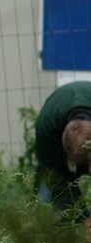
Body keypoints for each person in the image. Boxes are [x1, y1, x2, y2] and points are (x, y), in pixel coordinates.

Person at [34, 81, 91, 217]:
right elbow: (59, 183)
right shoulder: (47, 130)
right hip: (55, 152)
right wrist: (82, 219)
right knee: (46, 198)